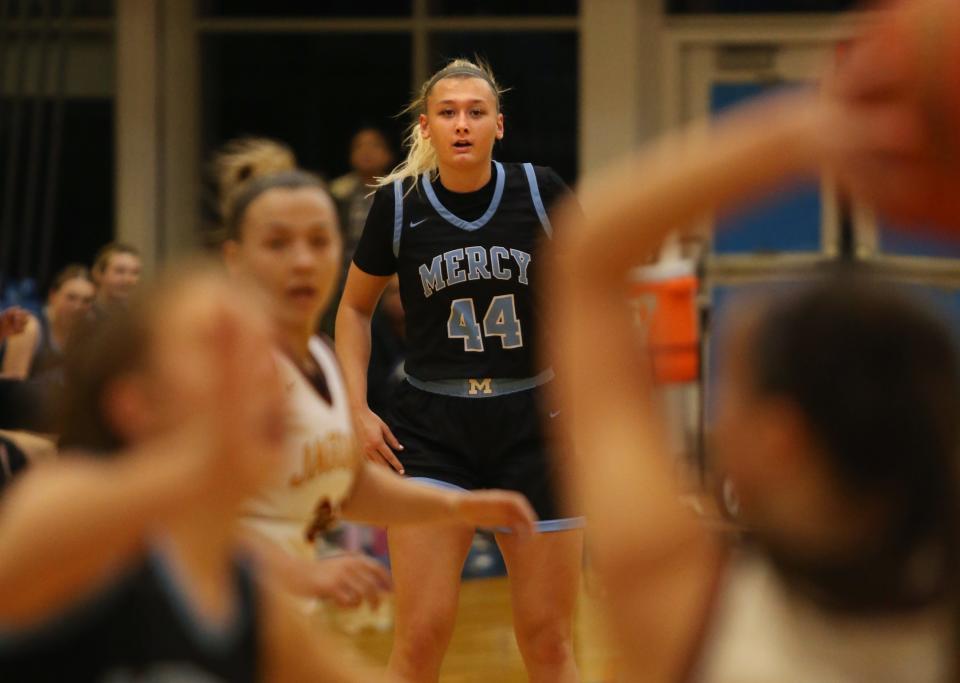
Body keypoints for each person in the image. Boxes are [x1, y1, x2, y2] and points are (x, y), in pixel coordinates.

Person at [548, 66, 960, 682]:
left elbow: (586, 258)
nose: (716, 420)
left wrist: (802, 128)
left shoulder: (692, 618)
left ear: (778, 437)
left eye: (730, 392)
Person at [0, 267, 404, 682]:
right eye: (223, 348)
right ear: (135, 402)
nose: (262, 373)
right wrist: (218, 445)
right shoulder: (64, 507)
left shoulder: (243, 595)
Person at [336, 58, 583, 683]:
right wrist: (355, 408)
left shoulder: (542, 191)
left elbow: (594, 296)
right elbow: (352, 310)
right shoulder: (397, 206)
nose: (463, 124)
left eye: (476, 112)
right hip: (432, 429)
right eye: (448, 113)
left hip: (535, 422)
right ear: (426, 128)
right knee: (419, 637)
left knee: (549, 641)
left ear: (500, 125)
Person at [217, 153, 538, 616]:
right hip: (208, 629)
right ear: (235, 258)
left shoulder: (321, 359)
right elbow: (177, 522)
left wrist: (460, 509)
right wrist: (301, 574)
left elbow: (347, 486)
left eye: (319, 241)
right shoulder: (222, 367)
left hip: (278, 626)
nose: (304, 261)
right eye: (278, 244)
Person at [0, 265, 95, 381]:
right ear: (53, 295)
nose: (78, 306)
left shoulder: (89, 333)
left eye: (86, 301)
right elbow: (12, 386)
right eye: (71, 298)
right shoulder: (29, 326)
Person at [330, 126, 396, 265]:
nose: (366, 152)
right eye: (359, 146)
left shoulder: (401, 193)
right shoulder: (338, 192)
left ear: (388, 154)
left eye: (375, 145)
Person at [90, 242, 142, 319]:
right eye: (120, 271)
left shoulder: (139, 317)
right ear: (98, 273)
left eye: (135, 272)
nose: (128, 279)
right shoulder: (83, 313)